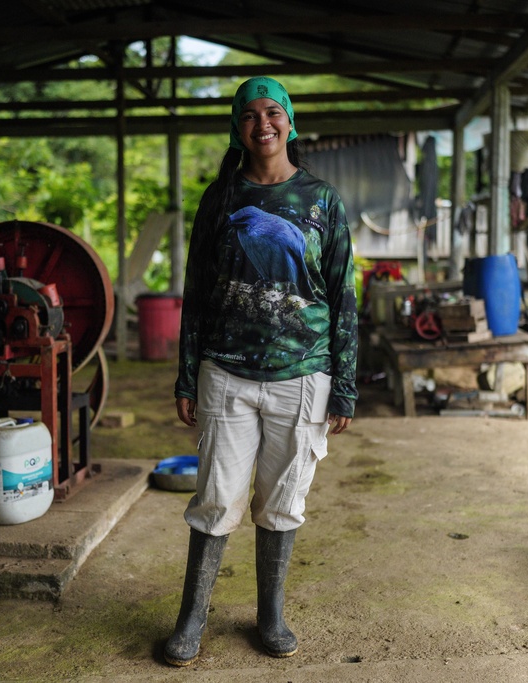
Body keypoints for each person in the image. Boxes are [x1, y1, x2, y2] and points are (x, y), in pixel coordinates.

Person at [166, 76, 358, 667]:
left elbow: (343, 295)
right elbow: (195, 293)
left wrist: (344, 384)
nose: (263, 123)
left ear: (290, 124)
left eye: (273, 112)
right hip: (226, 373)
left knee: (282, 499)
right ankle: (192, 617)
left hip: (302, 376)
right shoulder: (218, 199)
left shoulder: (323, 199)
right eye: (249, 114)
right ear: (237, 128)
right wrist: (186, 373)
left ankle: (269, 613)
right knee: (215, 498)